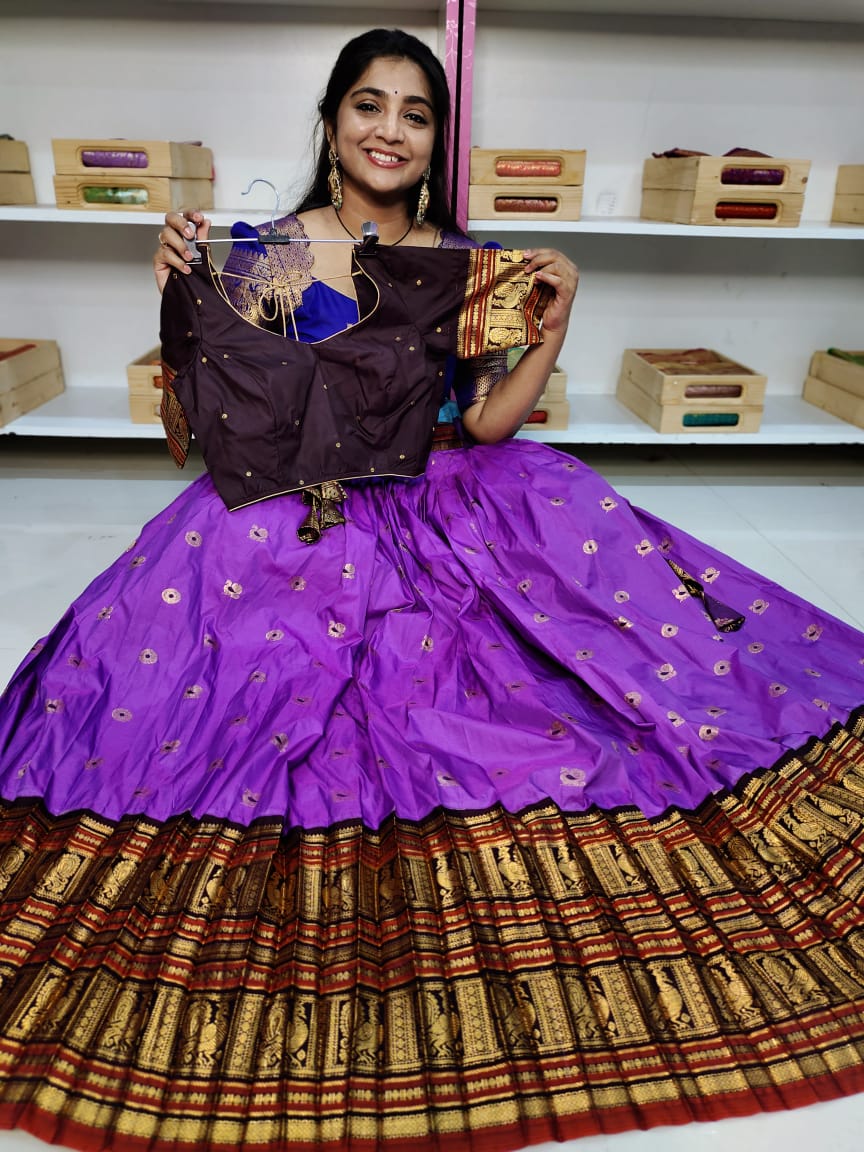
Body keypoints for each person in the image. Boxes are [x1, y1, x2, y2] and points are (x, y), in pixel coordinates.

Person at [1, 25, 864, 1152]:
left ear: (436, 139)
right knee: (193, 698)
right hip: (291, 508)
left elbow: (491, 422)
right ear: (331, 123)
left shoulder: (464, 262)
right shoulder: (263, 254)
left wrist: (554, 327)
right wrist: (175, 298)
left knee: (572, 684)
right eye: (369, 105)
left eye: (416, 114)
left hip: (445, 500)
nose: (390, 131)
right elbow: (197, 435)